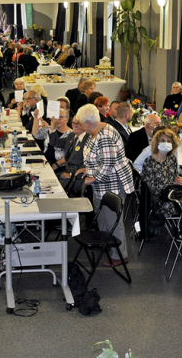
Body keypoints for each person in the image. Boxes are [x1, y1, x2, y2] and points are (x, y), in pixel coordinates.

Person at [74, 105, 134, 266]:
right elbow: (98, 160)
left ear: (88, 123)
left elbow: (108, 165)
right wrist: (87, 169)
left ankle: (119, 255)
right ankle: (108, 246)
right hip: (102, 184)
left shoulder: (105, 135)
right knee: (103, 219)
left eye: (80, 123)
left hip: (112, 184)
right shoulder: (95, 132)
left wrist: (91, 178)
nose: (79, 126)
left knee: (112, 220)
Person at [141, 127, 182, 235]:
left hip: (171, 193)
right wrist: (171, 184)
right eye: (162, 141)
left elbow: (175, 178)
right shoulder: (149, 161)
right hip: (158, 198)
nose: (166, 143)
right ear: (156, 143)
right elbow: (150, 188)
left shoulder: (172, 160)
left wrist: (180, 180)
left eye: (169, 141)